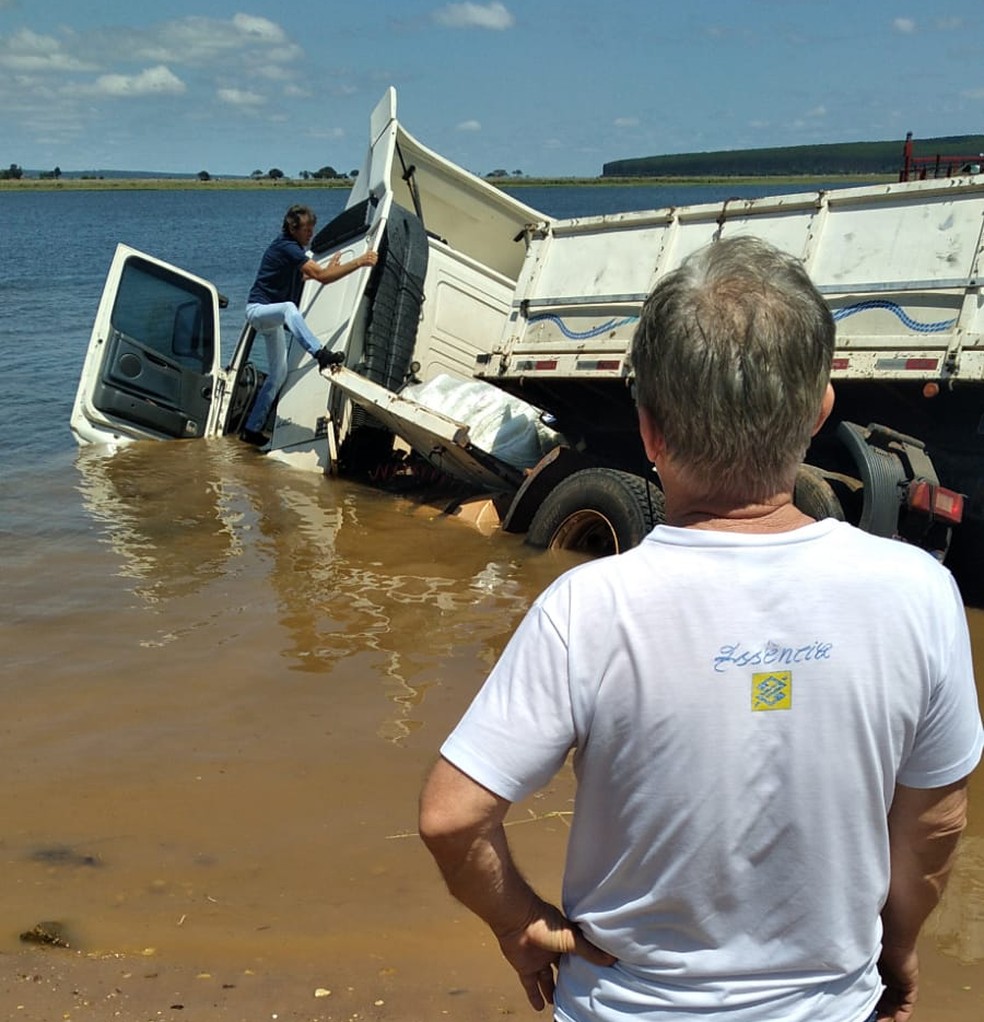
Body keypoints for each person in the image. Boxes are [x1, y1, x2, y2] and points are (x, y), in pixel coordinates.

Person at [418, 236, 983, 1022]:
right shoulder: (919, 593)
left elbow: (452, 817)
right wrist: (897, 950)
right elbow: (936, 821)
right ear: (821, 413)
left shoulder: (590, 607)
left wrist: (521, 922)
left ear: (649, 430)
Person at [240, 203, 378, 445]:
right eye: (307, 230)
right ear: (293, 229)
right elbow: (320, 276)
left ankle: (251, 430)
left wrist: (330, 268)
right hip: (258, 311)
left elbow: (313, 276)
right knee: (288, 309)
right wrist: (360, 262)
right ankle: (320, 354)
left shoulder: (291, 250)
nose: (311, 234)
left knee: (278, 375)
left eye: (312, 230)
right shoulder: (287, 248)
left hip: (271, 318)